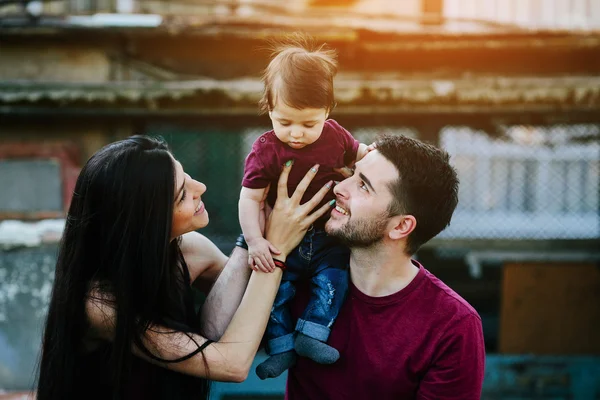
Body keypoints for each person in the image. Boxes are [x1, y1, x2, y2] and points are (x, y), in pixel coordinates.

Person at [36, 135, 333, 400]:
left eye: (186, 175)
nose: (200, 187)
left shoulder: (189, 249)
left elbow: (233, 319)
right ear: (148, 223)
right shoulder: (101, 306)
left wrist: (254, 237)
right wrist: (276, 249)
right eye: (181, 195)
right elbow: (232, 363)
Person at [209, 134, 486, 399]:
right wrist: (257, 237)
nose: (339, 187)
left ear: (401, 226)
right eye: (351, 173)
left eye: (363, 185)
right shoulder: (301, 273)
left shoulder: (453, 325)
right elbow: (213, 333)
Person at [238, 37, 371, 380]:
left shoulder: (336, 136)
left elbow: (362, 156)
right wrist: (255, 241)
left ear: (327, 112)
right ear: (268, 107)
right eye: (284, 122)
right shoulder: (265, 150)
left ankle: (313, 335)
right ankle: (280, 347)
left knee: (333, 283)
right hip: (284, 241)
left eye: (308, 124)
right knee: (277, 292)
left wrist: (374, 156)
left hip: (328, 236)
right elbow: (249, 198)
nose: (295, 134)